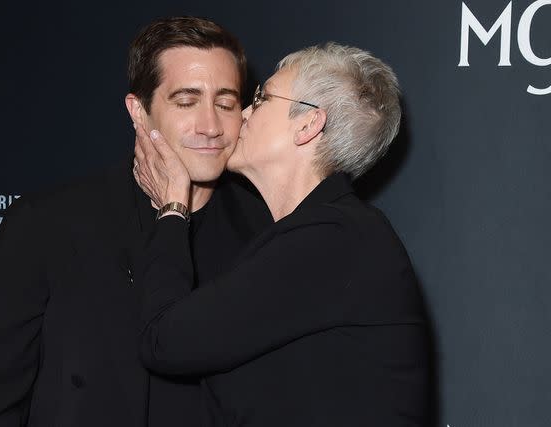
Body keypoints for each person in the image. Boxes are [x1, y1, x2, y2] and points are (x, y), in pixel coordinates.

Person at [0, 17, 271, 427]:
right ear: (139, 112)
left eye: (226, 103)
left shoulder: (265, 231)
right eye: (186, 101)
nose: (211, 126)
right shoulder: (47, 224)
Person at [133, 42, 429, 426]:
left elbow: (164, 341)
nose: (242, 114)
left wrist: (173, 205)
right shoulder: (325, 236)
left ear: (308, 125)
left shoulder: (333, 240)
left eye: (262, 98)